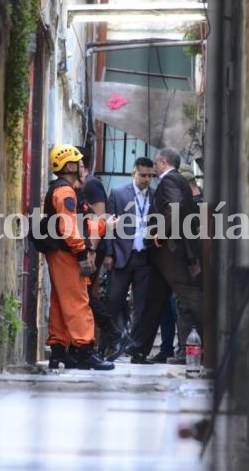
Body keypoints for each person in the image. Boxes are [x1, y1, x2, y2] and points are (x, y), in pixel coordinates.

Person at [126, 148, 211, 367]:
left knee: (191, 296)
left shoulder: (169, 181)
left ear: (163, 162)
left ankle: (219, 340)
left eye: (156, 163)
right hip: (165, 256)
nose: (154, 168)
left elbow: (174, 209)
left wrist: (158, 233)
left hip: (170, 253)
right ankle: (138, 349)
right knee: (153, 302)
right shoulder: (179, 180)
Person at [43, 144, 114, 370]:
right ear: (70, 165)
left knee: (60, 301)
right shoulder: (65, 192)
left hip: (62, 252)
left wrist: (102, 228)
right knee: (77, 301)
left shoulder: (68, 190)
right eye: (80, 164)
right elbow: (69, 227)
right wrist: (82, 251)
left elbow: (84, 223)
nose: (83, 169)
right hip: (67, 253)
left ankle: (58, 350)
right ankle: (84, 350)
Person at [103, 157, 161, 364]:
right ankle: (106, 348)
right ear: (133, 173)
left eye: (150, 176)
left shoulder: (156, 197)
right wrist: (108, 254)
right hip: (121, 257)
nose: (147, 179)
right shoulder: (118, 194)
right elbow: (109, 227)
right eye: (143, 175)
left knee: (142, 307)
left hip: (145, 258)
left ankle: (137, 350)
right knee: (113, 302)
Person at [75, 146, 127, 361]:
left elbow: (99, 220)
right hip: (86, 247)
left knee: (86, 296)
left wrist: (93, 251)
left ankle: (113, 337)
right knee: (84, 297)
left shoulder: (92, 185)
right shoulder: (78, 187)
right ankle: (100, 341)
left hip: (92, 247)